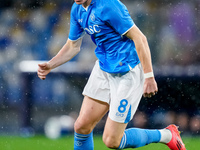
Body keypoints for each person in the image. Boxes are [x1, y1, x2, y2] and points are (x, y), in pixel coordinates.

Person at [37, 0, 186, 149]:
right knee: (81, 126)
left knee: (112, 141)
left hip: (127, 73)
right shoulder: (77, 9)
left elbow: (140, 38)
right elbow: (72, 46)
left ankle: (167, 135)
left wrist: (149, 76)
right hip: (103, 69)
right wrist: (51, 64)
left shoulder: (109, 5)